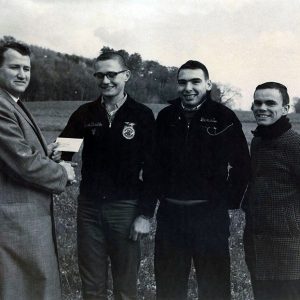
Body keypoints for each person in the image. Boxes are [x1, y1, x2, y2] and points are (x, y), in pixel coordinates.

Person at [60, 51, 156, 300]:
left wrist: (145, 214)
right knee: (92, 286)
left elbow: (155, 170)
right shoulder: (85, 114)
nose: (106, 81)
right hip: (89, 210)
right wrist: (59, 162)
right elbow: (62, 154)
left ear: (126, 75)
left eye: (112, 74)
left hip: (125, 209)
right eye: (100, 75)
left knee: (125, 287)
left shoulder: (142, 116)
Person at [154, 60, 250, 299]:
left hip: (210, 218)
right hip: (170, 216)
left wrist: (227, 202)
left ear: (208, 84)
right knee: (169, 288)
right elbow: (154, 165)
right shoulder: (166, 117)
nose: (189, 87)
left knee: (214, 288)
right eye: (183, 82)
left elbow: (242, 166)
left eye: (195, 81)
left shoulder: (223, 117)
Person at [0, 41, 75, 300]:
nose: (22, 74)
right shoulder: (1, 105)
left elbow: (21, 151)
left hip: (22, 222)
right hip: (14, 224)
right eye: (14, 67)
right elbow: (22, 162)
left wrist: (47, 153)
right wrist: (63, 173)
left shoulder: (12, 102)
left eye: (27, 68)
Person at [242, 82, 300, 300]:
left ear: (285, 109)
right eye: (258, 102)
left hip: (289, 250)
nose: (262, 107)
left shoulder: (295, 144)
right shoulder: (258, 141)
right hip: (258, 246)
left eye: (270, 103)